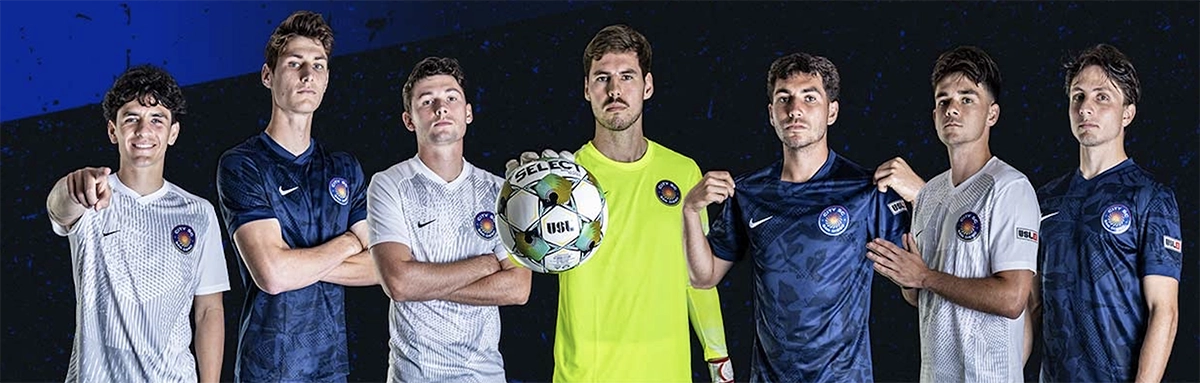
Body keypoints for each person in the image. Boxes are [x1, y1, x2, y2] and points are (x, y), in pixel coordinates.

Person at [507, 24, 733, 382]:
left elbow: (698, 279)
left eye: (627, 76)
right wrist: (523, 201)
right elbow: (527, 257)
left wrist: (718, 358)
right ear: (586, 89)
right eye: (602, 78)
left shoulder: (683, 171)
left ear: (648, 85)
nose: (614, 89)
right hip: (587, 375)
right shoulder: (563, 180)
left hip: (667, 373)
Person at [681, 52, 909, 382]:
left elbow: (914, 286)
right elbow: (704, 277)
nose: (795, 110)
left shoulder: (866, 190)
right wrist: (690, 210)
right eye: (783, 98)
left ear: (832, 111)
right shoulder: (749, 192)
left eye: (809, 97)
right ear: (771, 114)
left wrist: (923, 197)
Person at [215, 10, 378, 382]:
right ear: (267, 75)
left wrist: (294, 265)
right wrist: (352, 240)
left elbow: (380, 268)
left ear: (327, 79)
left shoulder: (345, 168)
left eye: (318, 65)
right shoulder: (243, 164)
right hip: (267, 369)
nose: (308, 75)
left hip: (331, 368)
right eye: (295, 63)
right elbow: (272, 275)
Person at [865, 46, 1039, 382]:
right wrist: (904, 275)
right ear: (933, 115)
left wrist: (925, 277)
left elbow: (1013, 298)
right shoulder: (929, 194)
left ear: (992, 114)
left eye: (967, 99)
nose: (952, 109)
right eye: (943, 101)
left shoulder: (1009, 188)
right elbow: (919, 296)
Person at [46, 64, 229, 382]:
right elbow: (58, 209)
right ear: (113, 130)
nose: (144, 131)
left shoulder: (199, 213)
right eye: (131, 118)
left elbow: (209, 310)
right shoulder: (91, 196)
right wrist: (72, 186)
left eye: (157, 119)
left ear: (173, 133)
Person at [367, 56, 531, 382]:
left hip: (484, 376)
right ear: (409, 120)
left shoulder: (499, 191)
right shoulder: (388, 185)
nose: (440, 108)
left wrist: (424, 284)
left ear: (467, 113)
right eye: (427, 101)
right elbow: (399, 283)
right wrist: (484, 265)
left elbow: (517, 288)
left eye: (451, 98)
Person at [1032, 43, 1180, 382]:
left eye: (1102, 97)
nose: (1086, 108)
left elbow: (1164, 312)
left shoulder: (1150, 197)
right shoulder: (1045, 200)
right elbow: (1032, 305)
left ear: (1127, 113)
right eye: (1078, 97)